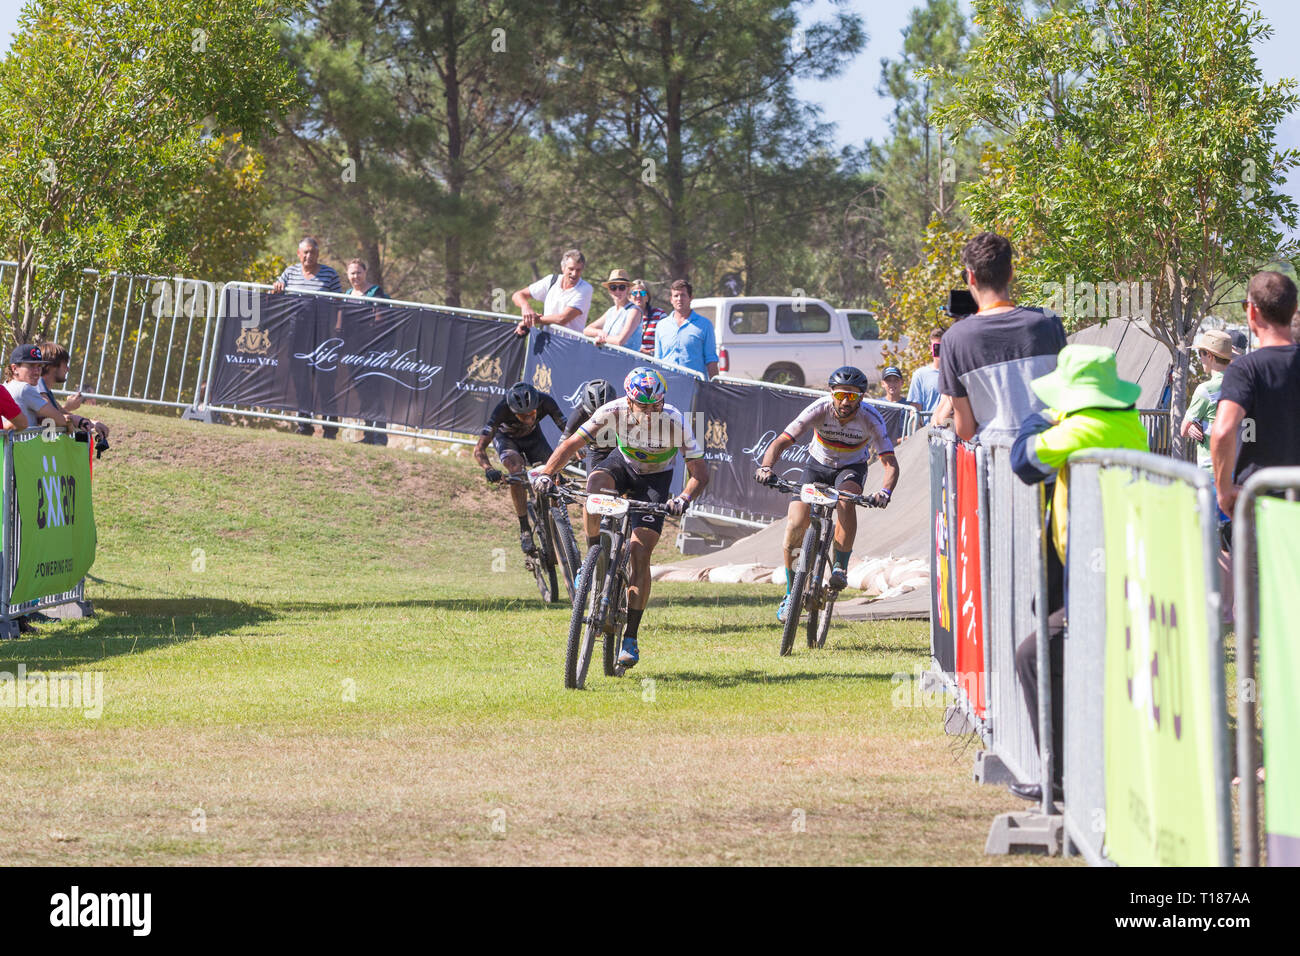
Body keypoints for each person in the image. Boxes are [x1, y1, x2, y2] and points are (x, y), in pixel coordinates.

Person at [1010, 344, 1148, 804]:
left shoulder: (1081, 429)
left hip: (1099, 579)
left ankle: (1060, 780)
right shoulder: (1126, 423)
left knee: (1034, 658)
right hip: (1110, 570)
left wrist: (1040, 418)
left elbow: (1023, 461)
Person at [532, 367, 709, 668]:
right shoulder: (611, 411)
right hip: (622, 465)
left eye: (657, 405)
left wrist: (683, 498)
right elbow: (571, 444)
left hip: (655, 482)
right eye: (644, 407)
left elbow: (700, 474)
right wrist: (548, 472)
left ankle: (631, 638)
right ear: (629, 401)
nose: (652, 412)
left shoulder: (676, 421)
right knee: (594, 489)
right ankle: (593, 556)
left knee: (640, 554)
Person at [754, 366, 898, 623]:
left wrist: (885, 492)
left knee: (846, 500)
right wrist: (766, 467)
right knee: (795, 525)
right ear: (831, 393)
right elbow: (782, 441)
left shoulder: (871, 418)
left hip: (850, 469)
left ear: (862, 398)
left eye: (852, 396)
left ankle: (840, 565)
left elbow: (889, 462)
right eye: (841, 395)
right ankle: (790, 593)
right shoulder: (818, 409)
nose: (845, 402)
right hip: (816, 466)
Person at [939, 233, 1067, 440]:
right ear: (1010, 273)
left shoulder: (955, 339)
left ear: (970, 277)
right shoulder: (1049, 323)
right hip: (1051, 460)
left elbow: (966, 430)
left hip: (995, 463)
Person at [1212, 270, 1300, 516]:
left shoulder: (1245, 369)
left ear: (1252, 311)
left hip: (1263, 508)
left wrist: (1224, 490)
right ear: (1294, 309)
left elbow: (1222, 431)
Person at [474, 382, 567, 555]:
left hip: (534, 439)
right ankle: (524, 528)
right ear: (512, 411)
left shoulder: (545, 401)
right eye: (522, 416)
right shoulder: (502, 410)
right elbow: (479, 449)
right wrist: (488, 469)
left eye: (532, 413)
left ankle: (558, 523)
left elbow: (568, 430)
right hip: (508, 441)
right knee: (516, 471)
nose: (529, 418)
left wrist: (577, 450)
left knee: (554, 470)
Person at [272, 237, 342, 438]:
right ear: (298, 253)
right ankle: (304, 426)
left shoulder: (329, 274)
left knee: (325, 381)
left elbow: (340, 303)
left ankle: (330, 429)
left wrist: (338, 328)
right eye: (305, 252)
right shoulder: (290, 271)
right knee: (300, 381)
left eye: (312, 252)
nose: (308, 256)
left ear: (318, 254)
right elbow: (276, 287)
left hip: (322, 334)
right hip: (296, 333)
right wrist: (277, 285)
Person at [344, 259, 389, 446]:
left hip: (372, 349)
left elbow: (379, 321)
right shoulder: (347, 293)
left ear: (365, 272)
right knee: (362, 392)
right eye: (352, 273)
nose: (355, 276)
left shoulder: (375, 291)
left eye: (358, 272)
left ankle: (380, 436)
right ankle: (368, 435)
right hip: (353, 349)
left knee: (375, 393)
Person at [1180, 329, 1234, 473]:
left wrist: (1194, 426)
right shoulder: (1243, 384)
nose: (1199, 359)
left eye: (1200, 354)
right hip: (1238, 468)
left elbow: (1184, 429)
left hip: (1211, 468)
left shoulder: (1205, 389)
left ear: (1209, 356)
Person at [512, 250, 594, 335]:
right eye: (571, 269)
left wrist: (531, 320)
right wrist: (525, 307)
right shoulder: (551, 280)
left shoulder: (586, 289)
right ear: (563, 268)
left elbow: (562, 319)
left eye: (578, 270)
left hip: (568, 345)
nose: (574, 273)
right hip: (545, 340)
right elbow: (517, 295)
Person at [37, 343, 108, 441]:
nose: (68, 369)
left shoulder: (45, 390)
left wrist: (94, 424)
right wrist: (70, 411)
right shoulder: (38, 387)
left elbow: (61, 413)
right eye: (65, 365)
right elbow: (52, 416)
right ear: (51, 366)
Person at [654, 279, 719, 379]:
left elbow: (711, 359)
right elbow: (658, 359)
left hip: (694, 385)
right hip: (667, 384)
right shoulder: (661, 325)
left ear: (690, 298)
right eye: (676, 296)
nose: (679, 299)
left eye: (683, 295)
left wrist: (715, 388)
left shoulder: (705, 325)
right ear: (671, 299)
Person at [562, 379, 618, 475]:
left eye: (605, 414)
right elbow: (564, 443)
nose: (599, 420)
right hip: (596, 450)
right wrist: (556, 471)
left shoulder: (623, 408)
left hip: (619, 446)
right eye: (593, 416)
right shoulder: (579, 413)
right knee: (594, 484)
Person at [583, 270, 643, 348]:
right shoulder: (611, 311)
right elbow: (586, 330)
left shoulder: (634, 311)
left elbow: (620, 341)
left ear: (628, 289)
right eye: (613, 287)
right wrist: (599, 332)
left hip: (626, 359)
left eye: (622, 287)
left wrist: (601, 339)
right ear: (609, 290)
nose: (617, 291)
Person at [907, 328, 945, 414]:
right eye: (936, 347)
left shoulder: (957, 373)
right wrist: (919, 427)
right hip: (928, 426)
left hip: (952, 426)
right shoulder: (920, 375)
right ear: (930, 348)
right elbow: (914, 412)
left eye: (942, 347)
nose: (939, 350)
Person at [632, 281, 667, 356]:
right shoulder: (624, 316)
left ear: (647, 297)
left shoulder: (659, 315)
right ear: (629, 297)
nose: (638, 296)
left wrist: (649, 353)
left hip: (652, 362)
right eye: (634, 293)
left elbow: (667, 343)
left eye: (642, 293)